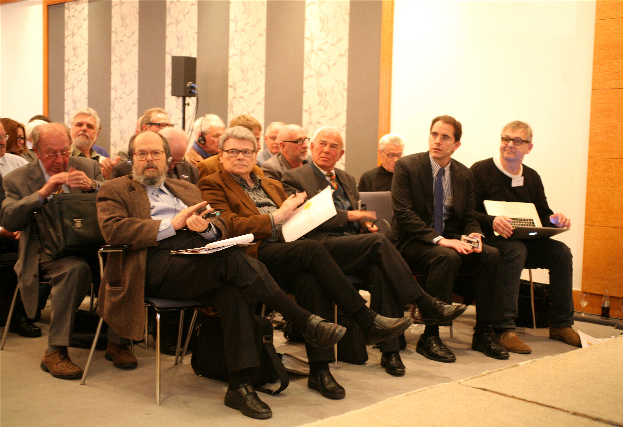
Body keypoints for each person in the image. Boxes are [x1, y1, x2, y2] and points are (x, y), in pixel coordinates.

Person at [97, 130, 347, 419]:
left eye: (156, 153)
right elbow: (113, 230)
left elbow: (220, 222)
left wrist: (208, 230)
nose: (149, 159)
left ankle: (240, 386)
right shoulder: (115, 189)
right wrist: (171, 224)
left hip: (198, 258)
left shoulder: (186, 189)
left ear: (167, 159)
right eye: (142, 154)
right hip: (152, 264)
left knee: (232, 291)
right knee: (233, 260)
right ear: (132, 159)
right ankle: (304, 321)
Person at [198, 126, 443, 394]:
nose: (240, 157)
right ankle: (366, 317)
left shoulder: (269, 184)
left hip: (287, 248)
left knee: (311, 281)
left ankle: (320, 370)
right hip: (253, 253)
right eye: (233, 151)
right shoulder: (212, 183)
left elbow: (295, 219)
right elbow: (227, 223)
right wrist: (277, 216)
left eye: (246, 152)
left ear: (255, 154)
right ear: (221, 154)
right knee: (313, 250)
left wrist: (305, 213)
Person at [281, 126, 467, 376]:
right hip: (317, 248)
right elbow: (302, 220)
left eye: (334, 147)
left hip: (350, 246)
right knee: (379, 243)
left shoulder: (346, 178)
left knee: (382, 272)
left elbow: (357, 216)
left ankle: (390, 352)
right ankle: (425, 302)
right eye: (322, 144)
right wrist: (351, 216)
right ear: (312, 147)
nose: (326, 150)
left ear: (341, 153)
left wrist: (363, 224)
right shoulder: (294, 178)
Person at [390, 115, 508, 363]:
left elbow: (468, 215)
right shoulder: (407, 166)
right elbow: (404, 214)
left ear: (456, 145)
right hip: (411, 242)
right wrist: (439, 239)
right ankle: (430, 336)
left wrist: (475, 233)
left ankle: (483, 333)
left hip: (449, 241)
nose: (437, 141)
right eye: (434, 135)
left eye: (445, 137)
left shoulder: (463, 174)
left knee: (491, 255)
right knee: (446, 256)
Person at [0, 123, 113, 379]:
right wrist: (43, 192)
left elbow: (113, 197)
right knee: (75, 269)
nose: (61, 160)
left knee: (123, 262)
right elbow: (8, 219)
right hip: (44, 254)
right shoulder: (17, 179)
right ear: (36, 151)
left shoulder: (87, 167)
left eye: (65, 151)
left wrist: (93, 186)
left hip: (89, 247)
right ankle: (55, 351)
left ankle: (117, 341)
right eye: (52, 153)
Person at [471, 120, 579, 351]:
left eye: (517, 141)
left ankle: (561, 324)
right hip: (491, 240)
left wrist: (554, 220)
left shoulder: (531, 176)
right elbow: (467, 212)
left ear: (529, 148)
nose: (509, 144)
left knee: (561, 252)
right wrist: (492, 221)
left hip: (523, 239)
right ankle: (503, 328)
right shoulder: (481, 171)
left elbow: (543, 213)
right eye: (505, 139)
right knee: (515, 250)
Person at [0, 121, 33, 335]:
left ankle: (22, 312)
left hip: (18, 228)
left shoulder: (17, 163)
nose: (2, 142)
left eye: (3, 137)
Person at [112, 127, 198, 184]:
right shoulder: (122, 171)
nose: (173, 166)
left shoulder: (191, 171)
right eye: (171, 160)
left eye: (178, 161)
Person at [69, 108, 117, 179]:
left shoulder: (103, 163)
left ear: (96, 135)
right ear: (70, 131)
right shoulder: (63, 157)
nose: (84, 128)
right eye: (79, 125)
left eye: (90, 126)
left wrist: (109, 179)